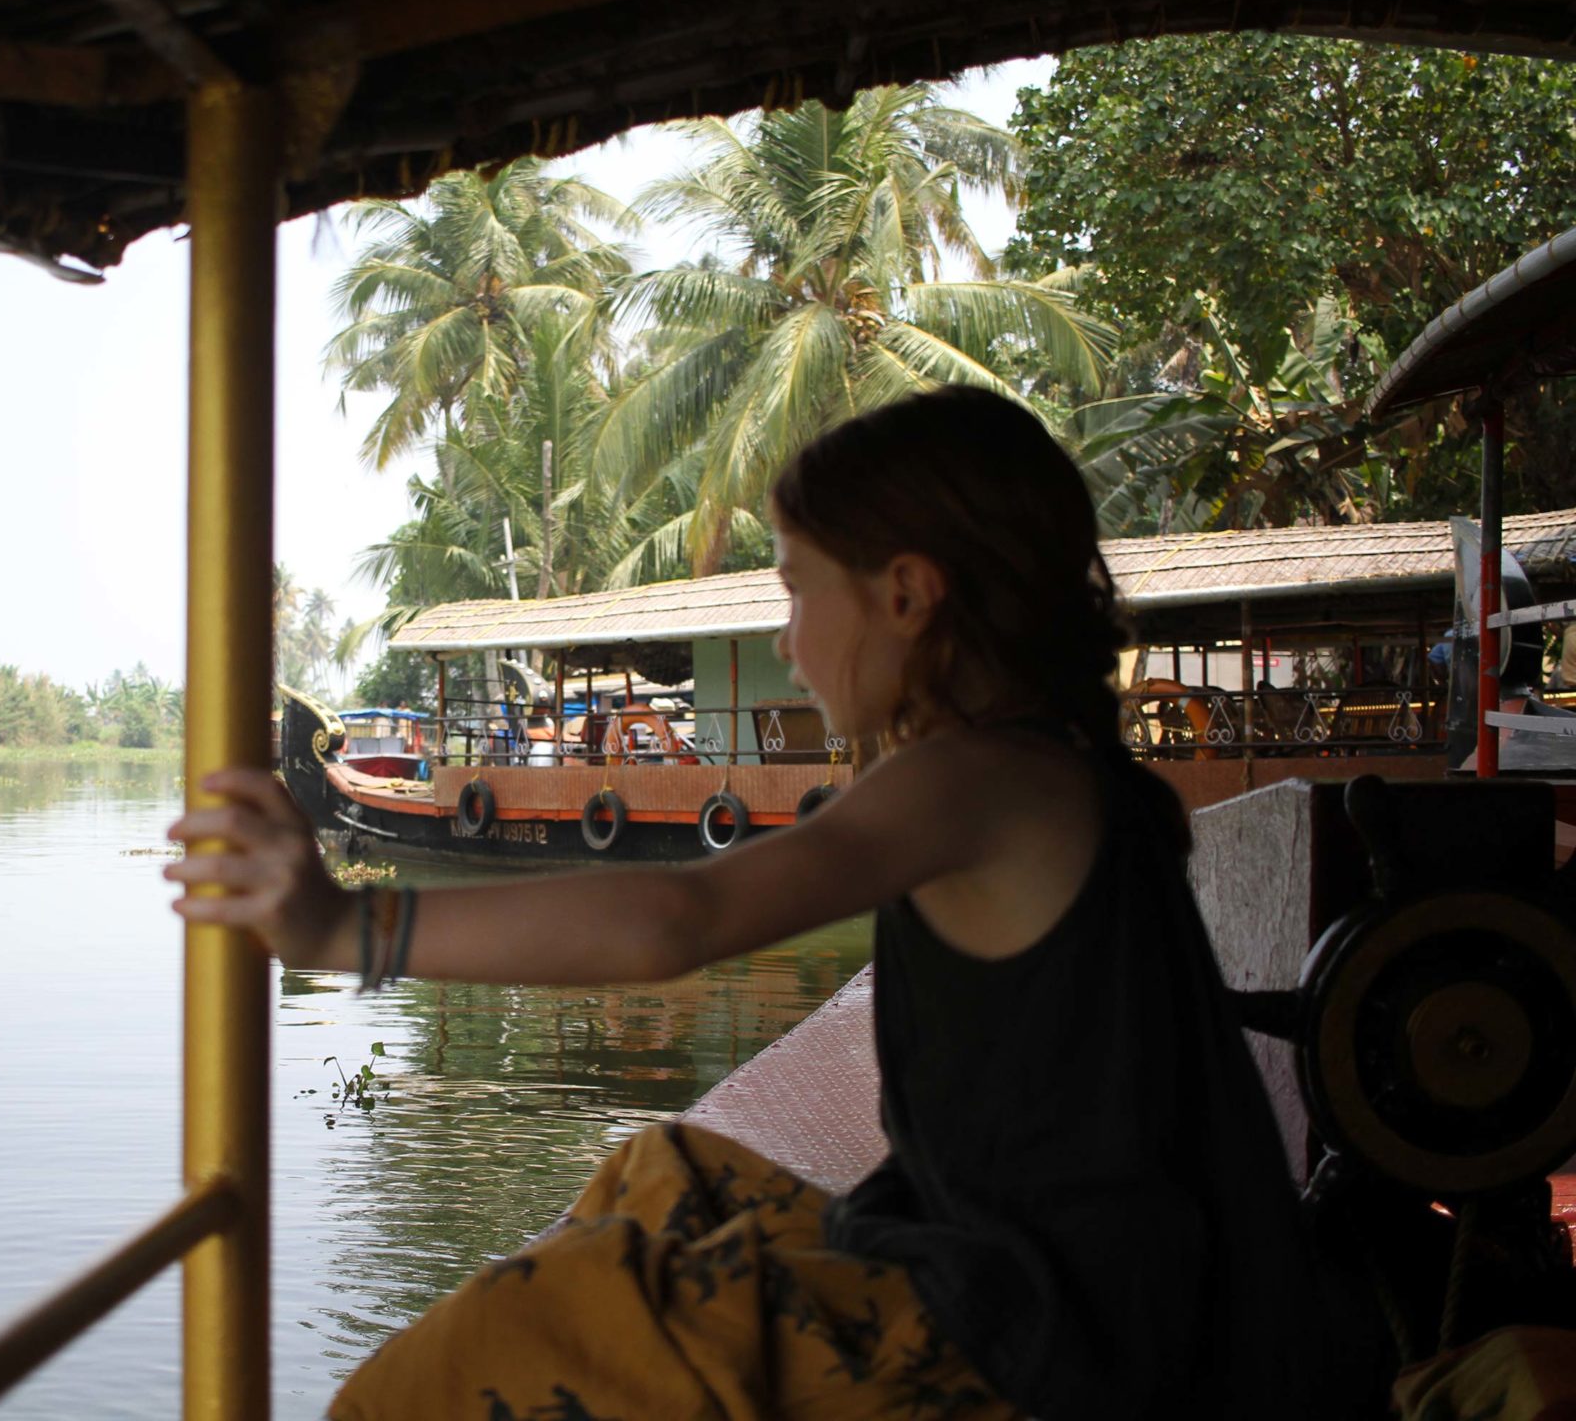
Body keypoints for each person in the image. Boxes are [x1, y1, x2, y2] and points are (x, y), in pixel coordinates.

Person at [167, 386, 1387, 1420]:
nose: (790, 644)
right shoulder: (1066, 773)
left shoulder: (969, 780)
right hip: (1078, 1282)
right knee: (666, 1170)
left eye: (801, 593)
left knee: (492, 1342)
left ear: (908, 595)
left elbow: (677, 922)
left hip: (1047, 1344)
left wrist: (345, 931)